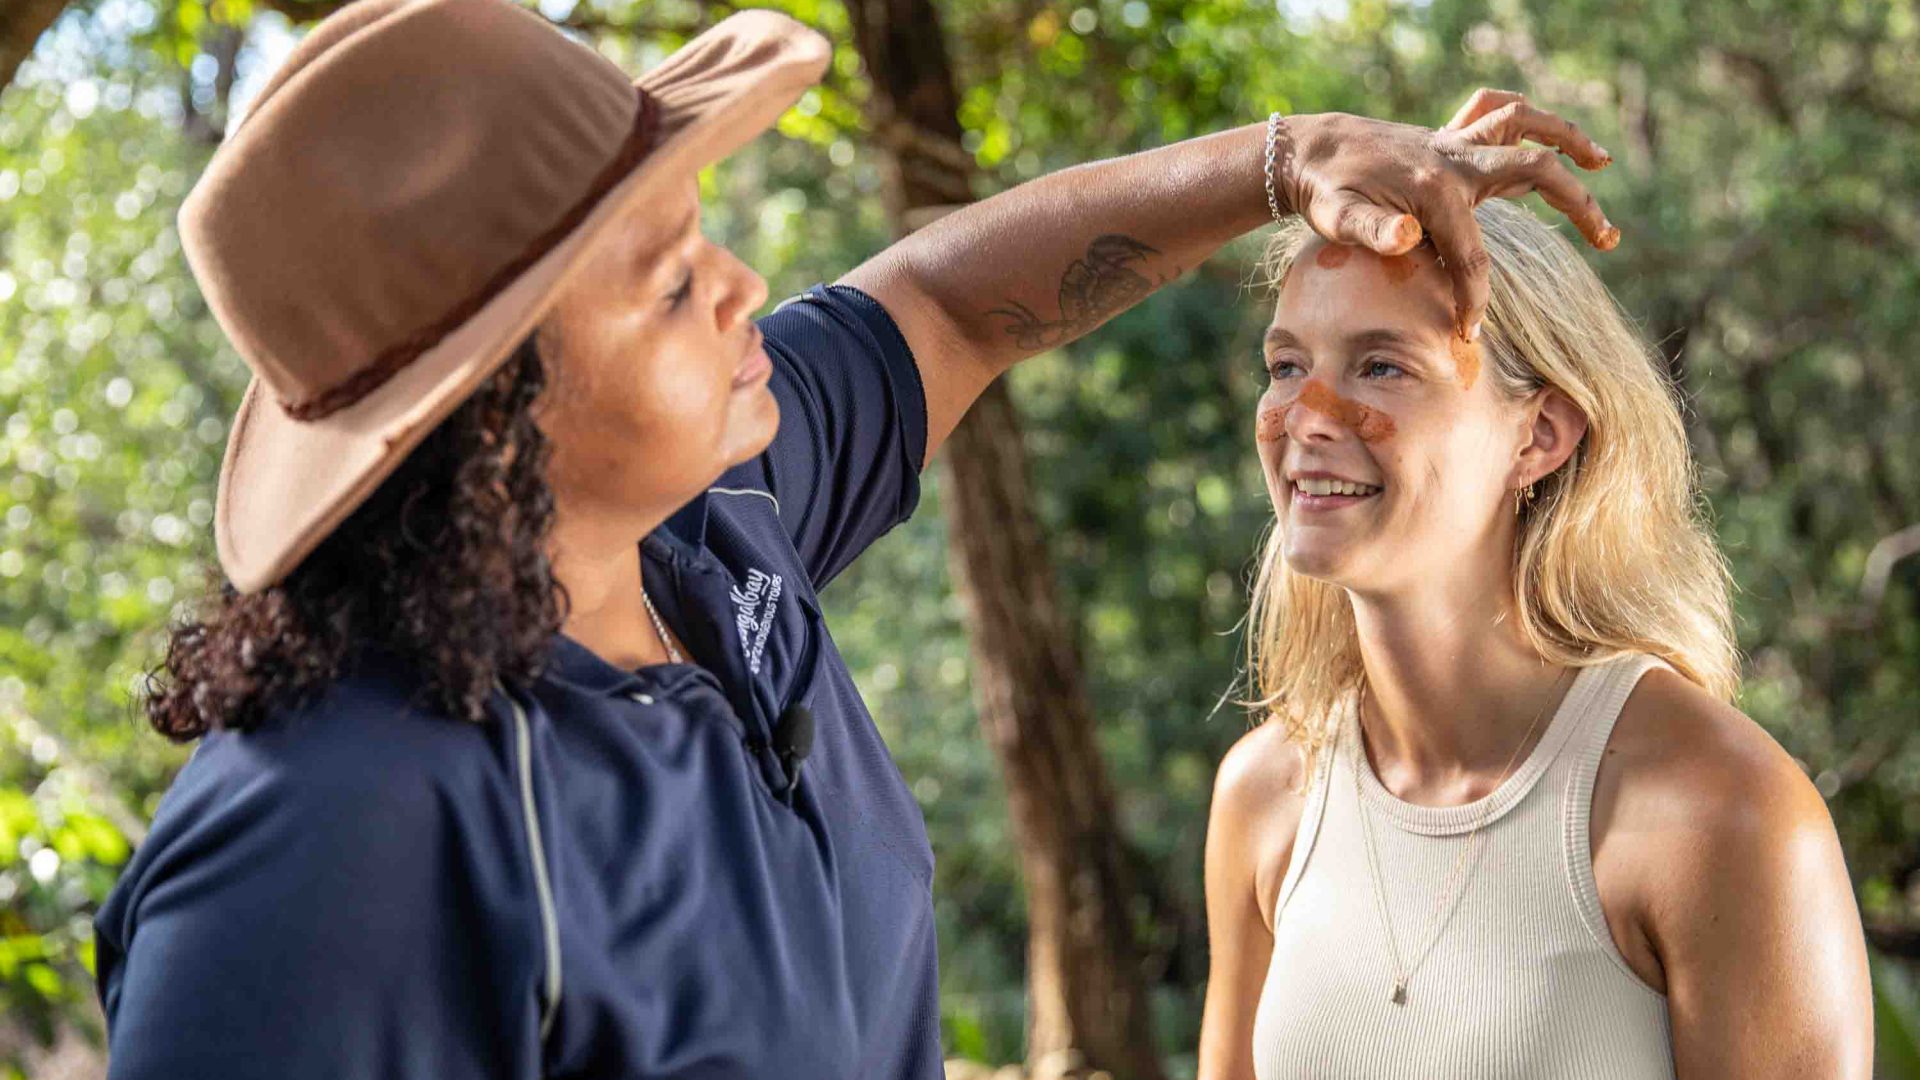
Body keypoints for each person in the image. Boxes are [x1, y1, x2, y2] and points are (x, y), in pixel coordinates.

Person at [90, 0, 1620, 1075]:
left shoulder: (707, 530)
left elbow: (949, 302)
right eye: (671, 280)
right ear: (490, 409)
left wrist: (1288, 162)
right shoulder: (338, 834)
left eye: (704, 227)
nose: (746, 282)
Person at [1193, 200, 1874, 1078]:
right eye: (1286, 365)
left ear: (1539, 435)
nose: (1306, 416)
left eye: (1381, 366)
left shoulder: (1718, 809)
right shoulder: (1265, 795)